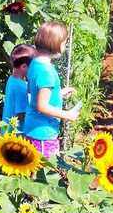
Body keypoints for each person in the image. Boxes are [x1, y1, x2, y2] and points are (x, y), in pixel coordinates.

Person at [23, 21, 79, 159]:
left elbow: (37, 94)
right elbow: (42, 106)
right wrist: (67, 115)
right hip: (43, 133)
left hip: (33, 127)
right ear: (57, 44)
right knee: (45, 172)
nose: (65, 46)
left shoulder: (35, 64)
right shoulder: (46, 72)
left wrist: (58, 94)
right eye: (64, 43)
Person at [2, 44, 36, 132]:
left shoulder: (12, 79)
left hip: (6, 131)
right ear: (24, 67)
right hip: (14, 136)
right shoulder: (20, 87)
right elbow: (21, 115)